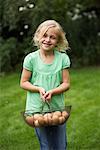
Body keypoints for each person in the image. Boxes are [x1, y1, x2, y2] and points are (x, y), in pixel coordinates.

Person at [20, 20, 71, 150]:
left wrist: (53, 91)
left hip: (57, 107)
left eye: (52, 37)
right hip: (36, 108)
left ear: (58, 41)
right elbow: (23, 82)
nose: (47, 40)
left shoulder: (62, 58)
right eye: (44, 36)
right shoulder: (31, 59)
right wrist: (39, 89)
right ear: (38, 37)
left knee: (61, 145)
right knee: (46, 145)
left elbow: (66, 83)